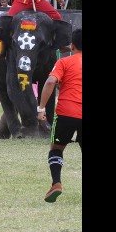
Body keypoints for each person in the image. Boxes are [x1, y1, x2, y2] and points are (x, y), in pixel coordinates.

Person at [37, 29, 82, 203]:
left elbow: (50, 81)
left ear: (72, 45)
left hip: (66, 113)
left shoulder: (64, 62)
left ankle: (56, 183)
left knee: (56, 149)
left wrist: (41, 108)